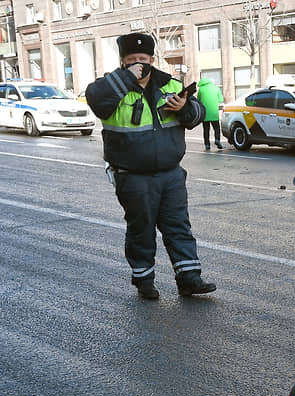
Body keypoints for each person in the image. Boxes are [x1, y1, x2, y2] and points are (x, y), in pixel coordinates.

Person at [85, 33, 216, 299]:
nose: (139, 64)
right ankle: (144, 280)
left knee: (178, 225)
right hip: (132, 176)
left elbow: (199, 114)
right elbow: (95, 99)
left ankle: (189, 277)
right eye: (132, 60)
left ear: (153, 60)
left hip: (171, 174)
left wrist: (184, 107)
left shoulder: (169, 85)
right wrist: (127, 77)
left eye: (143, 60)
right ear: (122, 62)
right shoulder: (112, 88)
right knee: (141, 229)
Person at [197, 78, 224, 150]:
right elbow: (221, 100)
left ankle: (207, 145)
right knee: (216, 128)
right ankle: (217, 140)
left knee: (206, 129)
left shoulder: (201, 89)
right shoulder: (216, 88)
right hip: (214, 113)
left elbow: (198, 100)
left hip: (205, 114)